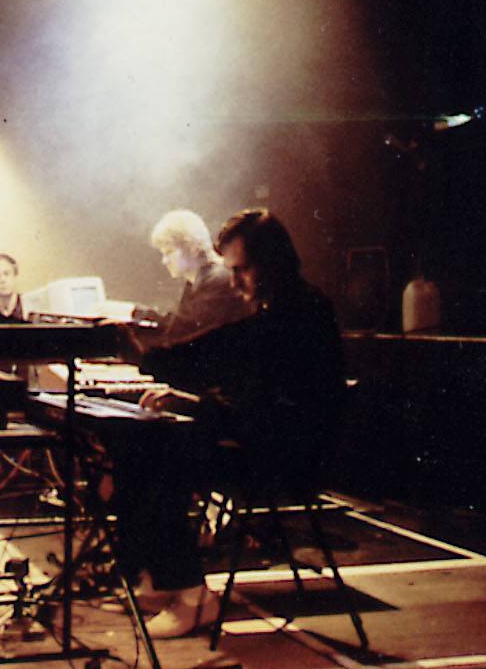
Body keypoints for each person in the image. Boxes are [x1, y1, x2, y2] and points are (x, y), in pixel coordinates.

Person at [109, 208, 347, 638]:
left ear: (272, 262)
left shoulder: (299, 314)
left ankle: (191, 595)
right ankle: (159, 578)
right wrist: (185, 398)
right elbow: (242, 392)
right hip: (261, 442)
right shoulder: (285, 309)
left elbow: (221, 362)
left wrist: (142, 357)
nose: (234, 282)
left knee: (162, 455)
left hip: (286, 460)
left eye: (242, 270)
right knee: (145, 444)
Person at [147, 209, 251, 344]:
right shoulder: (200, 280)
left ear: (194, 248)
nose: (164, 261)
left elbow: (181, 336)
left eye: (169, 252)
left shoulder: (219, 281)